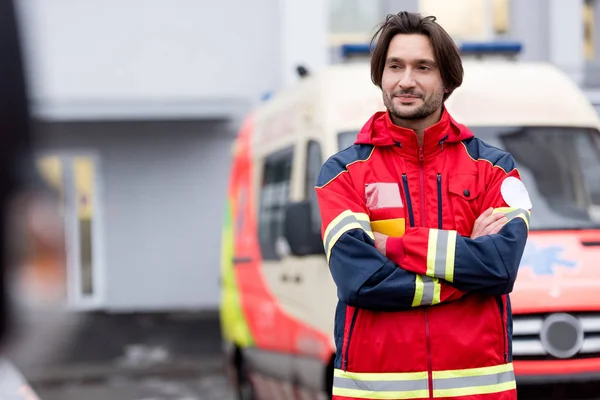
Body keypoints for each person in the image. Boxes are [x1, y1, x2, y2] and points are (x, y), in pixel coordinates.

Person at [315, 11, 531, 400]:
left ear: (447, 79)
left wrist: (393, 247)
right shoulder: (342, 172)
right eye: (394, 66)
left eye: (423, 67)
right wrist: (463, 278)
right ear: (380, 75)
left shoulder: (496, 170)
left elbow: (499, 267)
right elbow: (360, 282)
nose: (406, 80)